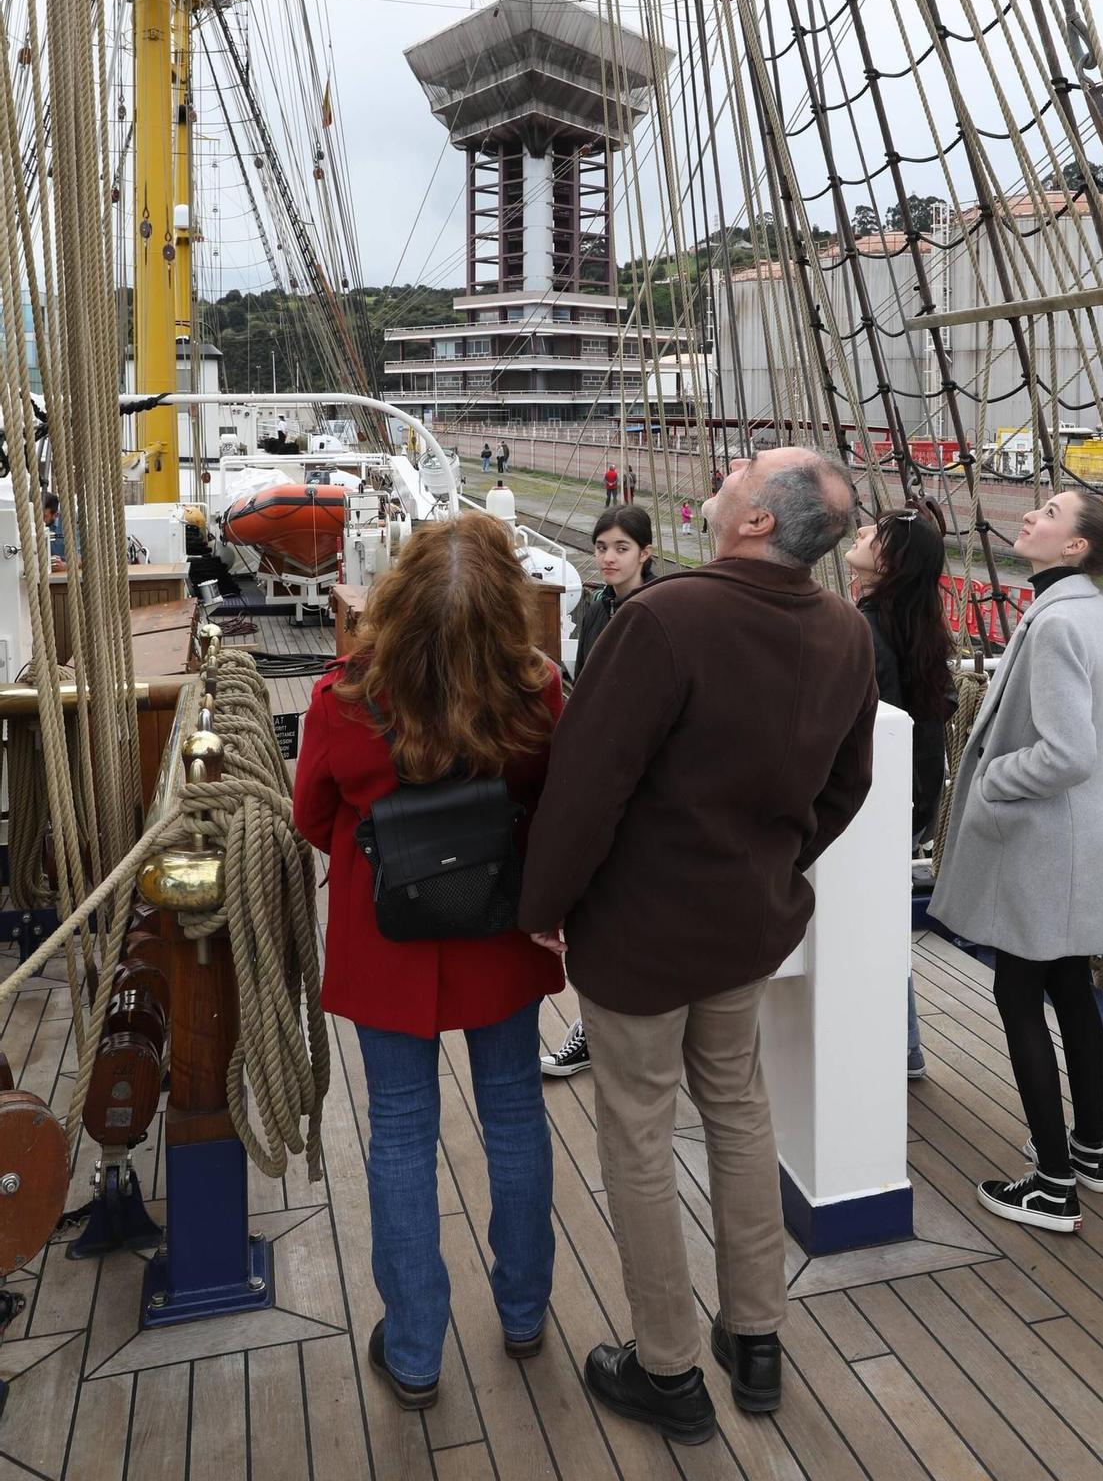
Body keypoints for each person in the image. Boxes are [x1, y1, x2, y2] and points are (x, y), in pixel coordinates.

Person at [519, 449, 877, 1443]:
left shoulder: (662, 619)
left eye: (747, 468)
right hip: (744, 925)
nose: (728, 468)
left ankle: (666, 1364)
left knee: (637, 1129)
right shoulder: (844, 631)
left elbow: (588, 785)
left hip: (640, 934)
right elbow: (844, 786)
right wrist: (773, 857)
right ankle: (754, 1334)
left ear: (757, 520)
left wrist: (545, 901)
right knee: (737, 1107)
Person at [293, 516, 564, 1409]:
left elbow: (307, 818)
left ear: (398, 599)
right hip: (496, 932)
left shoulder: (344, 700)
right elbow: (556, 801)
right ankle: (524, 1314)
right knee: (516, 1115)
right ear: (506, 607)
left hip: (388, 939)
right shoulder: (535, 696)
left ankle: (414, 1352)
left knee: (403, 1134)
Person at [930, 489, 1103, 1235]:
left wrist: (992, 779)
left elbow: (1064, 752)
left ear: (1073, 548)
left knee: (1018, 996)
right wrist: (1082, 785)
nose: (1030, 516)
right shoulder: (1094, 610)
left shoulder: (1056, 622)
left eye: (1049, 513)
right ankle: (1088, 1150)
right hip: (1085, 833)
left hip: (1043, 842)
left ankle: (1053, 1184)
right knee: (1068, 987)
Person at [541, 505, 655, 1083]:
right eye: (602, 547)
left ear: (645, 555)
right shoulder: (597, 608)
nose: (608, 557)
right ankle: (597, 1025)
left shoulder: (651, 614)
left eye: (620, 548)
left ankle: (606, 1028)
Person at [845, 504, 956, 1080]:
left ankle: (890, 1051)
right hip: (913, 801)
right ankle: (903, 1049)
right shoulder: (915, 627)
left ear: (891, 563)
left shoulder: (864, 628)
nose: (861, 532)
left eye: (876, 533)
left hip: (872, 806)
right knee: (884, 927)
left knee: (860, 928)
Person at [42, 490, 65, 568]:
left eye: (44, 516)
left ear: (56, 515)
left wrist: (64, 566)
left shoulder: (70, 523)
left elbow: (83, 558)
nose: (39, 520)